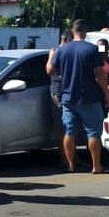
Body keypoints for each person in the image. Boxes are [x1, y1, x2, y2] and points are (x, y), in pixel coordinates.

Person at [46, 19, 109, 174]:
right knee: (94, 132)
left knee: (69, 131)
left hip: (68, 97)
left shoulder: (62, 50)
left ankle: (70, 165)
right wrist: (106, 94)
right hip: (89, 97)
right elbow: (100, 73)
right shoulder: (92, 49)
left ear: (72, 31)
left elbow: (50, 70)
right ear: (85, 31)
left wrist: (50, 56)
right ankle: (96, 166)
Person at [47, 30, 72, 169]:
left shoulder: (60, 52)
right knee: (64, 128)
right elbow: (49, 70)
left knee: (66, 127)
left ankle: (69, 158)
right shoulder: (61, 51)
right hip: (62, 92)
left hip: (64, 92)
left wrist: (51, 56)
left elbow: (49, 70)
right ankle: (67, 159)